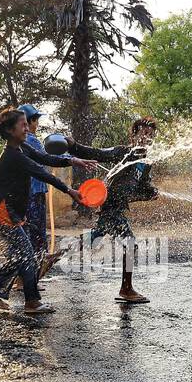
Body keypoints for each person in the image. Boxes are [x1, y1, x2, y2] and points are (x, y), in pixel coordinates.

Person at [0, 110, 85, 315]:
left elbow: (44, 158)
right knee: (26, 253)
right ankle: (32, 301)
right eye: (23, 125)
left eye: (27, 124)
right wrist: (69, 190)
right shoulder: (12, 156)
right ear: (11, 130)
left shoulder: (22, 148)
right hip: (1, 210)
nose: (27, 128)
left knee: (21, 254)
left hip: (8, 210)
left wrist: (71, 160)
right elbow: (42, 173)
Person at [69, 117, 161, 304]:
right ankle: (126, 289)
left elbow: (141, 188)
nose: (147, 138)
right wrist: (73, 146)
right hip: (111, 206)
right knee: (130, 244)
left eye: (150, 135)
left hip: (118, 207)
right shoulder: (123, 152)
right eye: (143, 134)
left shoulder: (146, 162)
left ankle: (54, 257)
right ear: (133, 135)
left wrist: (151, 192)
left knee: (93, 237)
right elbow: (97, 153)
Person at [17, 104, 98, 271]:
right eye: (34, 120)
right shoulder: (30, 140)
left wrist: (71, 159)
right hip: (35, 192)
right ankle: (30, 276)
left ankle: (26, 277)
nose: (35, 124)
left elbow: (46, 158)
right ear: (30, 121)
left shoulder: (21, 142)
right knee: (37, 235)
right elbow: (47, 158)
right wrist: (72, 159)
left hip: (24, 193)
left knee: (28, 235)